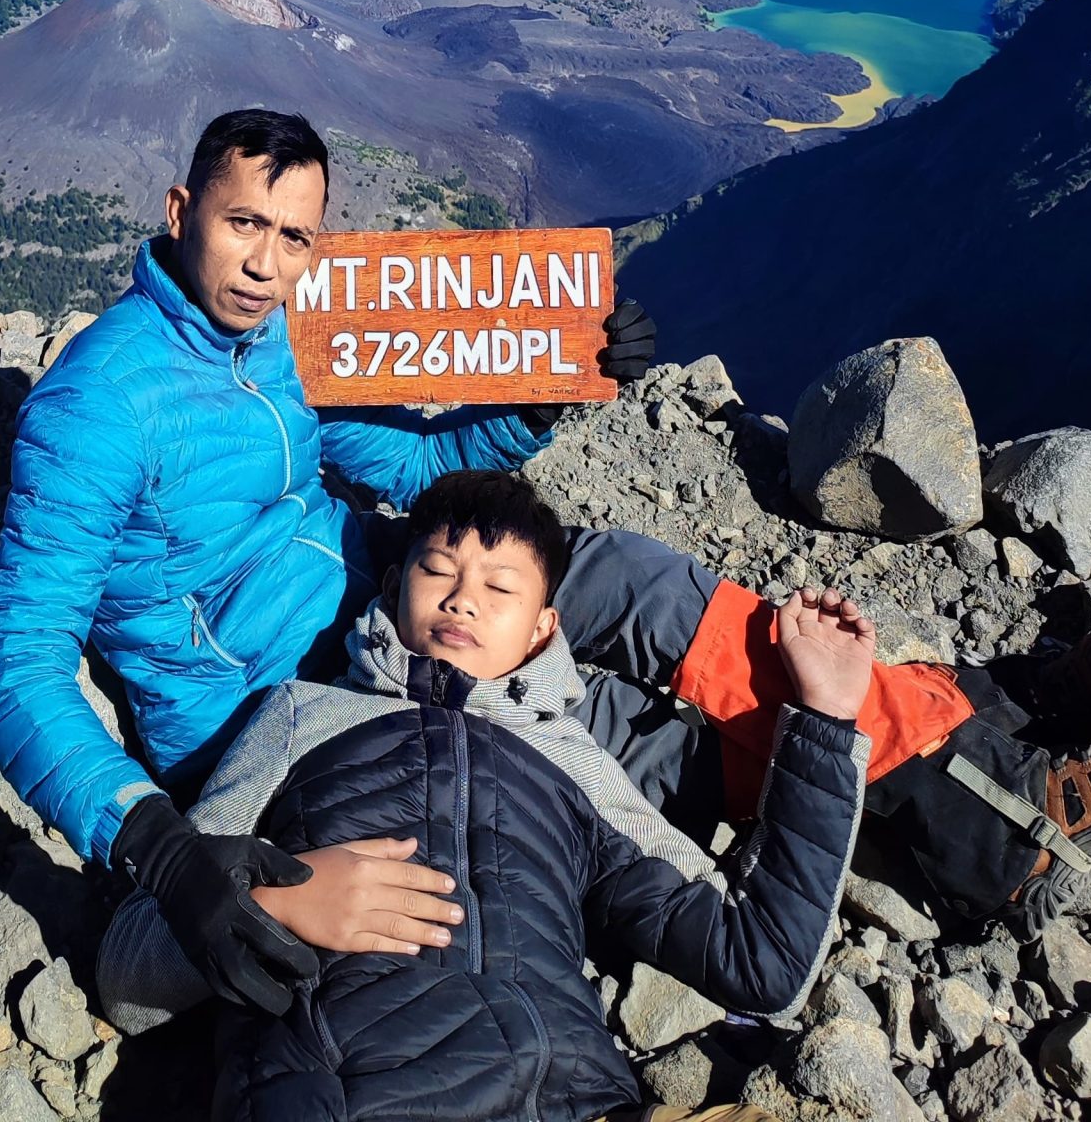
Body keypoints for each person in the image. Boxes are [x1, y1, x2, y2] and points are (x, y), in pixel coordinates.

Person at [0, 107, 1091, 1020]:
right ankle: (978, 804)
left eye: (294, 238)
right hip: (291, 697)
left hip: (391, 598)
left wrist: (556, 390)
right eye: (244, 225)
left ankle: (947, 727)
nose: (266, 263)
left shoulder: (274, 338)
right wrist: (160, 848)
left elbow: (393, 463)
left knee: (616, 571)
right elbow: (17, 669)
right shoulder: (97, 408)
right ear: (180, 212)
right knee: (620, 741)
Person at [97, 470, 876, 1122]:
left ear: (543, 631)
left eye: (498, 587)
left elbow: (760, 962)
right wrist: (269, 906)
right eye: (439, 572)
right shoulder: (304, 715)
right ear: (396, 586)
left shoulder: (576, 762)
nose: (462, 600)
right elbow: (130, 974)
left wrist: (826, 719)